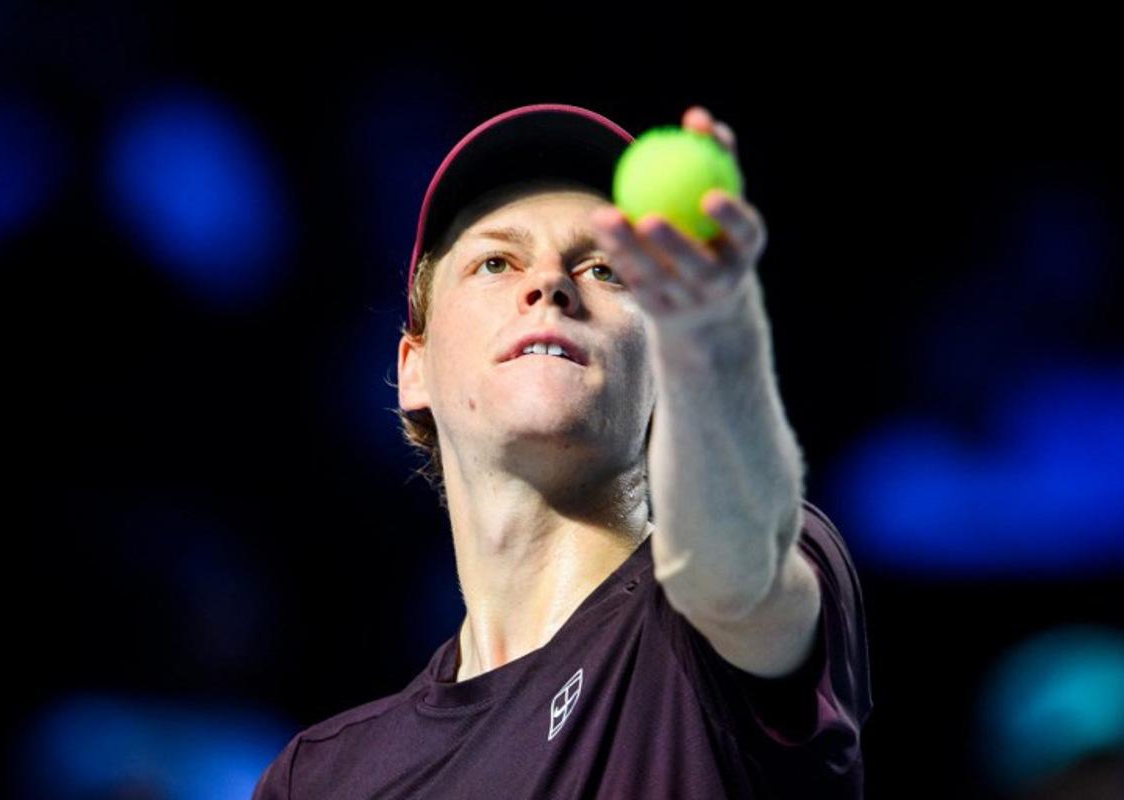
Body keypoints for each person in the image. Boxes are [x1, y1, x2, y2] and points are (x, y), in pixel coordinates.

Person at [253, 102, 873, 798]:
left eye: (606, 270)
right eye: (495, 261)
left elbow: (742, 584)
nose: (550, 283)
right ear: (413, 368)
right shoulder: (322, 778)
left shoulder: (714, 611)